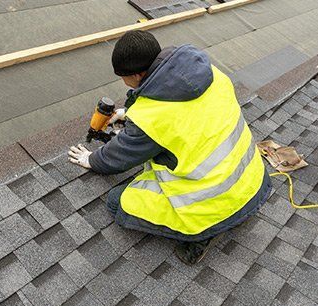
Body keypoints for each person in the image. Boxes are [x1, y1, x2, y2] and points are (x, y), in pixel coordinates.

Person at [68, 30, 272, 265]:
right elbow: (185, 114)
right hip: (252, 180)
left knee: (117, 202)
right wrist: (130, 115)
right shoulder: (210, 74)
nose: (123, 82)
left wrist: (91, 159)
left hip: (215, 202)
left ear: (136, 75)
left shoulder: (153, 120)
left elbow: (117, 158)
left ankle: (199, 234)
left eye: (123, 77)